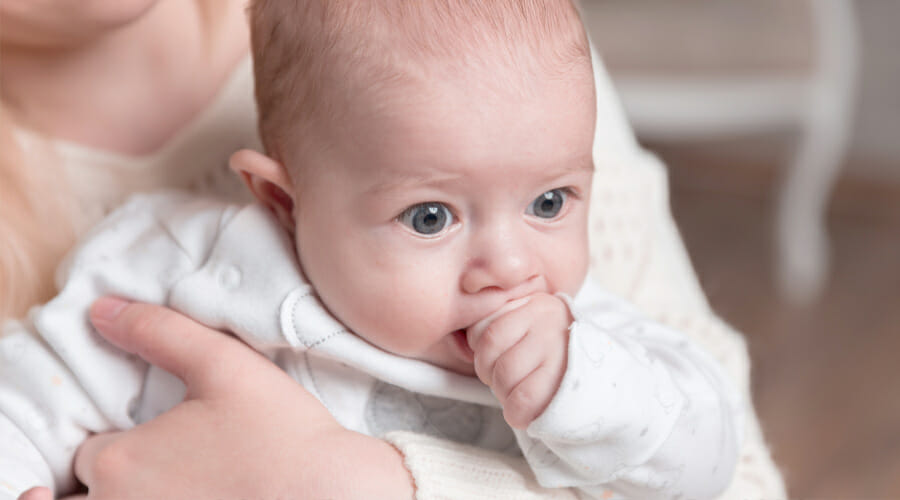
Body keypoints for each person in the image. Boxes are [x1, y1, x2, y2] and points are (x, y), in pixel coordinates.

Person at [1, 1, 786, 499]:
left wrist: (586, 393)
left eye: (551, 203)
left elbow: (718, 468)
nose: (509, 268)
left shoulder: (586, 334)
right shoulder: (188, 264)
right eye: (431, 218)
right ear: (284, 202)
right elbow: (26, 401)